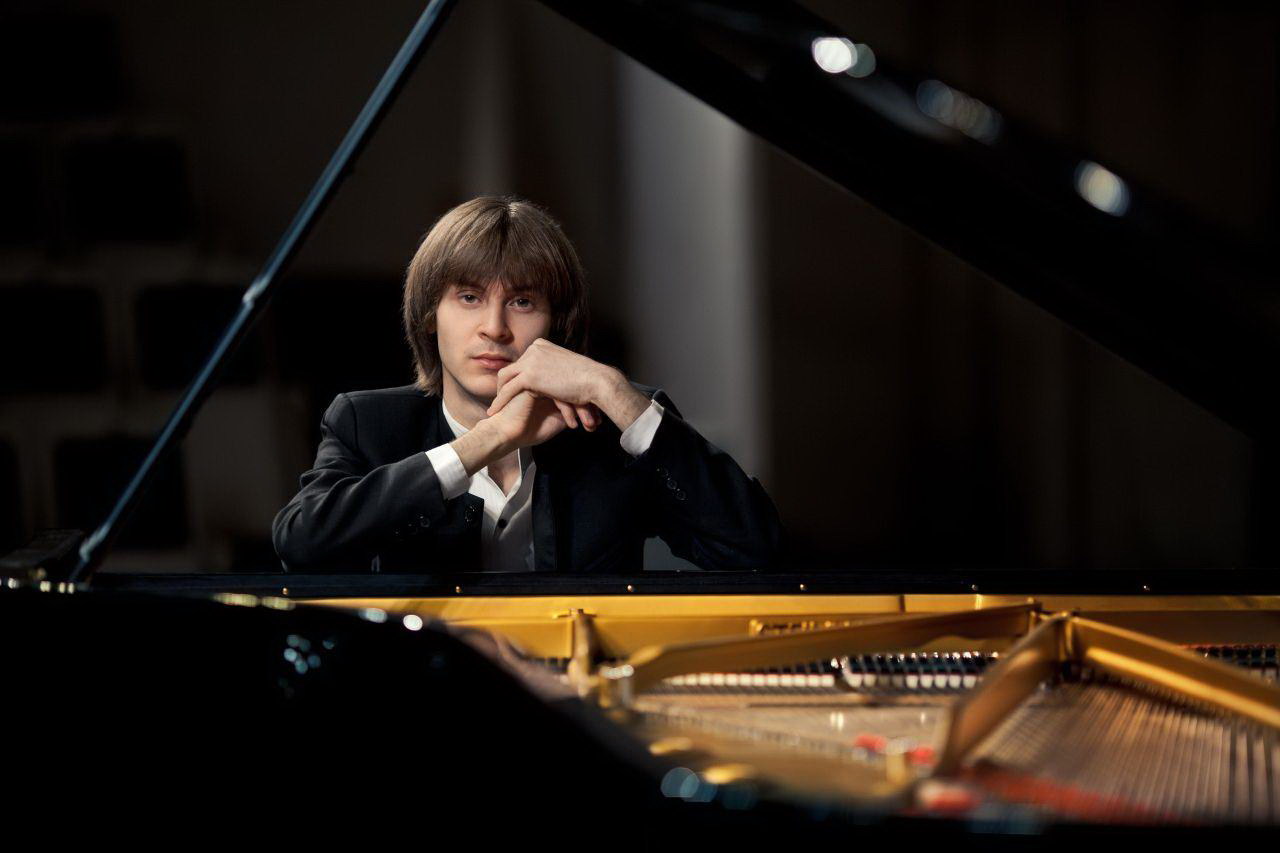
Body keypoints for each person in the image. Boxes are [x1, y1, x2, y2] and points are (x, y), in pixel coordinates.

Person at [272, 195, 783, 573]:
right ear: (430, 315)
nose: (494, 328)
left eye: (521, 302)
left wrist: (614, 391)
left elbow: (757, 549)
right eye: (469, 298)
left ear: (555, 325)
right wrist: (488, 439)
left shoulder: (612, 426)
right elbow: (302, 545)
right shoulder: (367, 423)